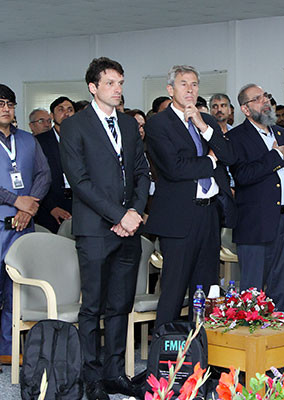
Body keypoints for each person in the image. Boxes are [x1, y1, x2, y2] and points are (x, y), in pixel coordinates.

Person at [60, 57, 150, 400]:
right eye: (111, 83)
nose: (118, 89)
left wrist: (135, 212)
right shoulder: (74, 126)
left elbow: (142, 172)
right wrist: (118, 215)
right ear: (93, 87)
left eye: (121, 83)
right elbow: (80, 182)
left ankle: (114, 373)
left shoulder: (128, 125)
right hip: (96, 229)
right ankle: (91, 377)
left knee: (120, 305)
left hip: (130, 227)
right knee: (93, 307)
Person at [145, 65, 235, 329]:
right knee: (174, 289)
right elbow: (174, 169)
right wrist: (209, 160)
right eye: (184, 84)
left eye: (194, 84)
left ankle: (204, 352)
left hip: (209, 213)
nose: (190, 89)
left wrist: (202, 126)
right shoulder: (158, 124)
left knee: (208, 289)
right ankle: (164, 356)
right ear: (170, 89)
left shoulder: (205, 120)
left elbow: (229, 156)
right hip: (178, 217)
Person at [228, 84, 284, 311]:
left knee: (280, 284)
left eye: (266, 96)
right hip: (255, 223)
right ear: (246, 109)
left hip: (283, 219)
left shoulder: (281, 133)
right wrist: (275, 156)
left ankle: (279, 333)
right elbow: (243, 175)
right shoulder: (236, 137)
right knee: (253, 289)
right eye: (257, 99)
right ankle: (252, 337)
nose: (265, 101)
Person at [0, 84, 50, 364]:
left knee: (17, 291)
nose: (6, 108)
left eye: (10, 103)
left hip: (22, 228)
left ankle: (7, 350)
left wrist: (29, 206)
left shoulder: (29, 139)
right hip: (1, 222)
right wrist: (16, 200)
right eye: (0, 103)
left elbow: (44, 174)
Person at [34, 96, 78, 232]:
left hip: (78, 204)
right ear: (52, 115)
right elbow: (35, 178)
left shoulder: (82, 140)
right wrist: (51, 207)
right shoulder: (39, 141)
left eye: (70, 109)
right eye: (61, 109)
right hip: (50, 207)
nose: (66, 113)